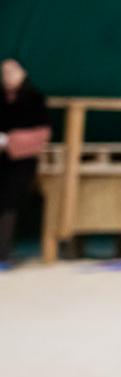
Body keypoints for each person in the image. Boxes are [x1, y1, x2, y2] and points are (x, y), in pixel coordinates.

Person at [0, 58, 50, 267]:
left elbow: (43, 133)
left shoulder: (34, 98)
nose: (8, 77)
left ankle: (3, 252)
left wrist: (10, 141)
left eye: (12, 72)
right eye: (4, 73)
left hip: (22, 160)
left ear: (22, 73)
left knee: (9, 202)